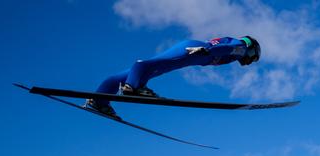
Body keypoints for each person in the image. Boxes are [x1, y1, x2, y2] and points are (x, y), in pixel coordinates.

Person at [85, 36, 261, 118]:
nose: (249, 61)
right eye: (253, 57)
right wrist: (208, 50)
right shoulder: (241, 47)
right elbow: (226, 49)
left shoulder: (235, 44)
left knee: (158, 66)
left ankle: (98, 100)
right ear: (252, 48)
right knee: (159, 64)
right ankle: (133, 87)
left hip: (198, 49)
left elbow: (223, 46)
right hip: (199, 51)